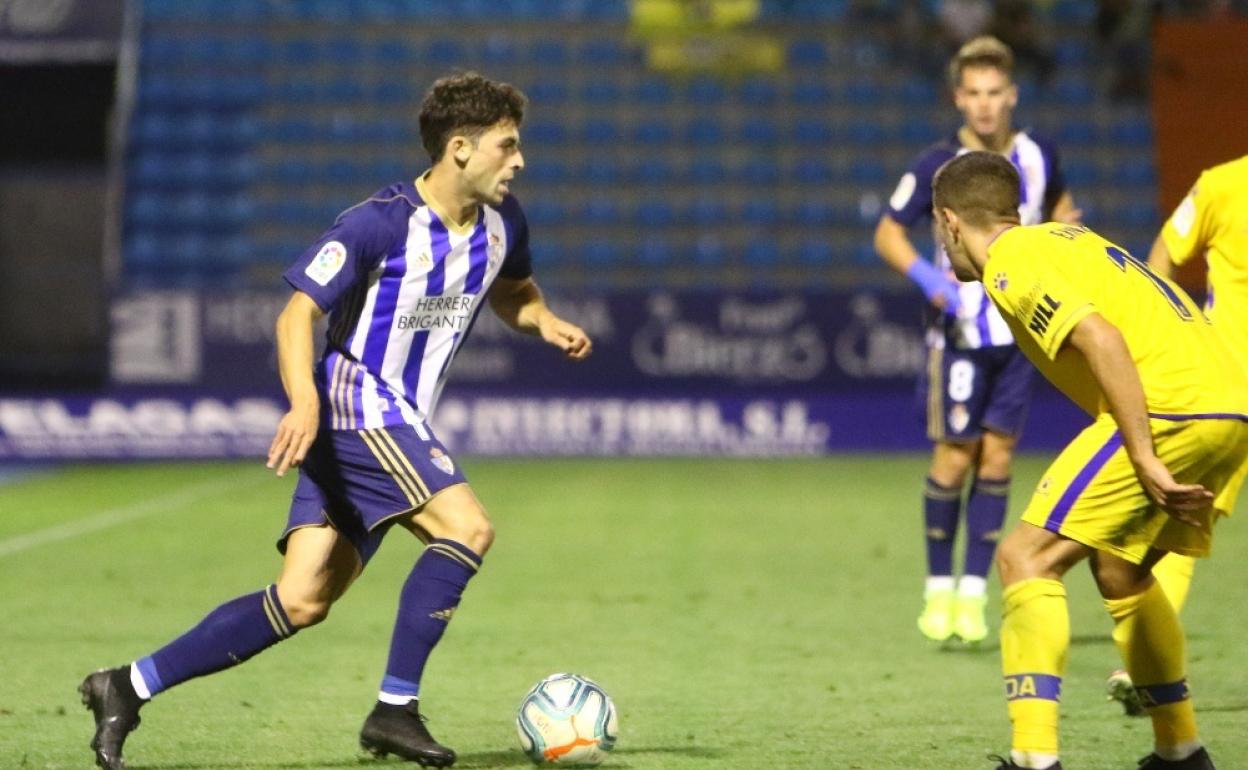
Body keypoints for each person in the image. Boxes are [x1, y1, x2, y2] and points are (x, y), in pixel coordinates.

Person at [78, 72, 592, 770]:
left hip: (386, 422)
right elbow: (296, 315)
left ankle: (127, 685)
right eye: (508, 146)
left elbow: (515, 292)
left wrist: (545, 321)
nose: (520, 161)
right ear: (460, 148)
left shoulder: (505, 224)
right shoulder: (377, 223)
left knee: (302, 599)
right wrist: (304, 400)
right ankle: (395, 709)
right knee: (467, 528)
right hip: (357, 408)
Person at [931, 150, 1248, 770]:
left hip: (1173, 408)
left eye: (939, 233)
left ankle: (1034, 758)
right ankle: (1181, 752)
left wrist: (1143, 455)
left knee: (1025, 557)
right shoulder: (1064, 239)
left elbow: (1100, 337)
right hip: (1230, 407)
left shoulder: (1011, 260)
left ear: (950, 221)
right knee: (1122, 571)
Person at [874, 35, 1080, 643]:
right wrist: (930, 281)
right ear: (958, 99)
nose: (985, 104)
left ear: (1011, 95)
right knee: (955, 456)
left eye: (994, 92)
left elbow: (1062, 210)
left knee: (998, 458)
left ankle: (972, 595)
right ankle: (938, 590)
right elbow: (888, 233)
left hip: (1020, 329)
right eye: (974, 93)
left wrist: (1066, 241)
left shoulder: (1039, 155)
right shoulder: (937, 165)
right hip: (961, 333)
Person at [1104, 153, 1248, 715]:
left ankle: (1142, 667)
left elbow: (1160, 257)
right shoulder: (1221, 184)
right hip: (1228, 385)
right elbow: (1161, 260)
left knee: (1182, 518)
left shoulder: (1222, 184)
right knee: (1184, 516)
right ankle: (1143, 666)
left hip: (1225, 391)